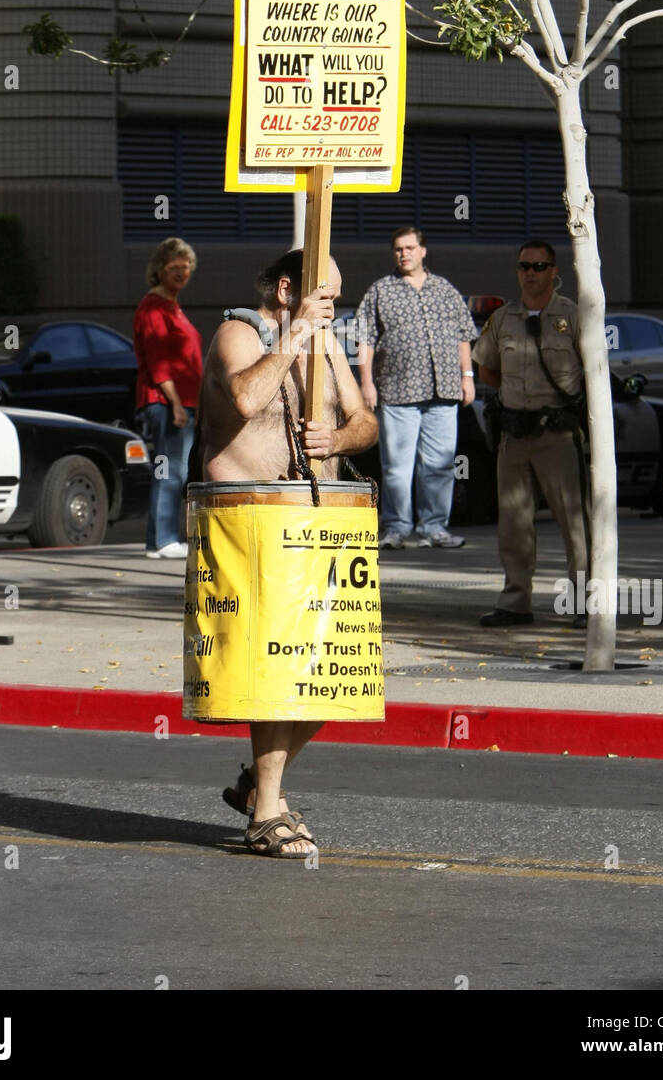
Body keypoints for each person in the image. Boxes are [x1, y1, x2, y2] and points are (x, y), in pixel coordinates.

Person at [202, 248, 377, 856]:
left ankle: (259, 785)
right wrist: (297, 333)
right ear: (287, 290)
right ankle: (267, 814)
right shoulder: (237, 334)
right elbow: (246, 399)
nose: (333, 309)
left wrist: (340, 434)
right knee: (279, 669)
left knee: (335, 673)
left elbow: (366, 421)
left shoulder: (326, 345)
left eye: (335, 297)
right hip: (252, 523)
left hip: (322, 523)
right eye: (324, 296)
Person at [472, 241, 590, 628]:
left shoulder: (574, 316)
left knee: (575, 523)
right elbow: (487, 369)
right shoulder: (504, 318)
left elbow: (594, 371)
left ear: (554, 271)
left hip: (558, 432)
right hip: (515, 433)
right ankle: (515, 602)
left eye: (539, 266)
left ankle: (583, 603)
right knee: (514, 523)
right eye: (524, 266)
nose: (530, 273)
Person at [354, 226, 477, 548]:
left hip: (443, 392)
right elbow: (365, 339)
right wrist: (366, 383)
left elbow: (464, 334)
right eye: (398, 249)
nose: (404, 253)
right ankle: (396, 528)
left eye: (409, 247)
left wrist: (468, 377)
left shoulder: (444, 290)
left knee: (439, 465)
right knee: (396, 467)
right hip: (397, 393)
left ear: (422, 250)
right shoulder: (381, 290)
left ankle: (434, 527)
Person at [133, 237, 202, 560]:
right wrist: (175, 403)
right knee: (169, 468)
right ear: (159, 269)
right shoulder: (154, 306)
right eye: (174, 266)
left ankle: (157, 540)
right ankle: (164, 539)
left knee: (174, 468)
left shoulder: (173, 305)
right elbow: (158, 360)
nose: (182, 271)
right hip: (165, 402)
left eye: (186, 266)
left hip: (181, 402)